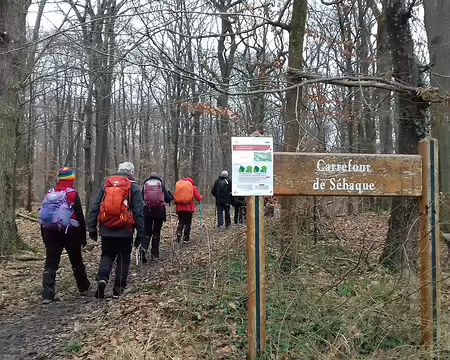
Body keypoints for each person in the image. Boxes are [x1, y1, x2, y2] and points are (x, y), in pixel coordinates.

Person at [87, 162, 145, 299]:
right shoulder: (134, 186)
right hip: (125, 229)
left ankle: (102, 279)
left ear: (118, 170)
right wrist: (141, 234)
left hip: (106, 228)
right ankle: (117, 290)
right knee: (123, 258)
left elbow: (95, 206)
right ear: (132, 172)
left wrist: (92, 228)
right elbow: (139, 212)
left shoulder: (106, 183)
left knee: (107, 254)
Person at [39, 167, 90, 304]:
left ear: (59, 178)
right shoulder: (72, 194)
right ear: (72, 179)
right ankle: (83, 287)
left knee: (50, 264)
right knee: (76, 261)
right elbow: (80, 218)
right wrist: (83, 238)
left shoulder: (50, 193)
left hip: (51, 232)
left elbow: (44, 217)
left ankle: (47, 294)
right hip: (70, 233)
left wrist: (44, 236)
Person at [141, 172, 173, 261]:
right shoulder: (161, 184)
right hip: (159, 212)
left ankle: (143, 249)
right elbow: (167, 198)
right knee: (156, 232)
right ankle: (154, 254)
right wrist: (170, 196)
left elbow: (141, 198)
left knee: (147, 232)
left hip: (147, 211)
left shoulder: (145, 184)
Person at [173, 177, 202, 243]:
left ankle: (179, 233)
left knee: (181, 221)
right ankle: (186, 238)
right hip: (189, 208)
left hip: (180, 208)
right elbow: (197, 196)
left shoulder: (180, 186)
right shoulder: (192, 186)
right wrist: (200, 198)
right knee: (188, 223)